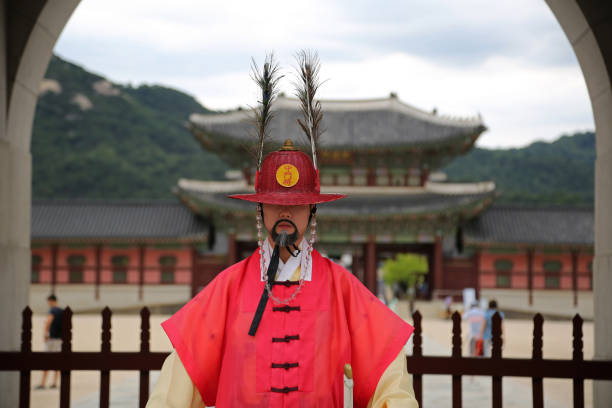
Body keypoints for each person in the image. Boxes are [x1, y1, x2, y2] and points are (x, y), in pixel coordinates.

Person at [146, 53, 418, 408]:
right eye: (274, 202)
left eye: (298, 203)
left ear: (313, 210)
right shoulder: (228, 289)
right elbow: (177, 386)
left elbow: (390, 375)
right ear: (259, 208)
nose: (286, 210)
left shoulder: (341, 289)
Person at [36, 294, 63, 390]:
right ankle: (54, 383)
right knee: (57, 360)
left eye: (48, 302)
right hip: (59, 338)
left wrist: (45, 334)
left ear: (51, 301)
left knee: (46, 360)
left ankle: (43, 383)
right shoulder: (61, 311)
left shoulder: (52, 311)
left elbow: (48, 321)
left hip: (52, 338)